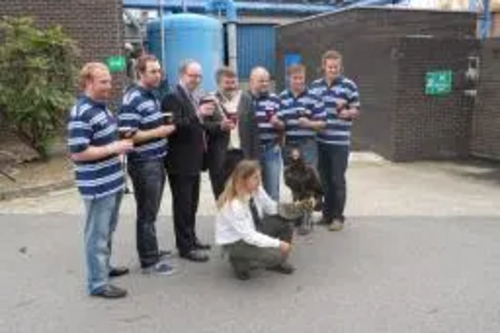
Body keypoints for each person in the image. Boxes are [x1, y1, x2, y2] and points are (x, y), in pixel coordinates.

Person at [67, 62, 133, 299]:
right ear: (87, 82)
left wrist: (119, 145)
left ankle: (104, 268)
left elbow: (103, 142)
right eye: (103, 82)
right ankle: (97, 283)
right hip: (97, 185)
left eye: (109, 80)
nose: (109, 85)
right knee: (97, 234)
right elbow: (78, 153)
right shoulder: (81, 112)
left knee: (107, 230)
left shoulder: (101, 107)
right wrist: (114, 146)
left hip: (112, 180)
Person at [118, 55, 176, 275]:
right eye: (153, 71)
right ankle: (149, 262)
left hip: (156, 160)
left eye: (159, 70)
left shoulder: (151, 96)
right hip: (144, 163)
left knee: (151, 211)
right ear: (140, 73)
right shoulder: (132, 98)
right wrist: (159, 132)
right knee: (147, 213)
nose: (158, 75)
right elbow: (127, 136)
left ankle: (151, 251)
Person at [161, 60, 214, 262]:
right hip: (180, 161)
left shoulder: (193, 96)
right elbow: (175, 127)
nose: (197, 79)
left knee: (192, 203)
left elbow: (196, 126)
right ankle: (185, 247)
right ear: (182, 75)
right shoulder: (171, 97)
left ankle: (191, 239)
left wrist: (207, 120)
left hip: (194, 159)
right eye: (193, 76)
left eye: (199, 76)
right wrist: (198, 114)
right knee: (182, 205)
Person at [215, 160, 295, 280]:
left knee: (286, 223)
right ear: (243, 180)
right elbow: (249, 236)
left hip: (252, 228)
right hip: (237, 241)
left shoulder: (256, 189)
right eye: (256, 178)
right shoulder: (234, 205)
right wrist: (278, 243)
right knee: (275, 255)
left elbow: (270, 207)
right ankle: (238, 260)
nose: (260, 181)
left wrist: (292, 209)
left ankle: (277, 263)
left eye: (260, 177)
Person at [309, 50, 361, 232]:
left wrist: (347, 112)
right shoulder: (315, 86)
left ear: (341, 66)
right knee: (323, 180)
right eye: (330, 67)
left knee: (337, 180)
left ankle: (338, 217)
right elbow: (310, 108)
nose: (333, 70)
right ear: (324, 66)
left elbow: (356, 110)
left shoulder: (349, 86)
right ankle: (326, 215)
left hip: (340, 143)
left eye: (336, 67)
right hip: (320, 141)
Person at [237, 67, 284, 201]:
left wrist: (278, 124)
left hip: (270, 149)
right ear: (251, 81)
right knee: (250, 189)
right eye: (261, 81)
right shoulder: (243, 100)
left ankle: (273, 221)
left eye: (267, 81)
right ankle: (254, 220)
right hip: (250, 151)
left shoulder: (275, 99)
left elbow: (284, 125)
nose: (265, 84)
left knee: (272, 190)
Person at [205, 66, 242, 199]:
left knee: (240, 194)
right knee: (221, 195)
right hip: (219, 155)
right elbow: (203, 126)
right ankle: (224, 219)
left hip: (240, 155)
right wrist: (219, 126)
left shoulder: (244, 99)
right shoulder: (209, 99)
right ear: (218, 83)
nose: (231, 86)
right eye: (227, 82)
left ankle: (239, 220)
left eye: (234, 82)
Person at [279, 64, 326, 168]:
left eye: (301, 78)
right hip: (289, 144)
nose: (298, 81)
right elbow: (280, 122)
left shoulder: (314, 97)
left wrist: (308, 124)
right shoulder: (282, 97)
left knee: (310, 178)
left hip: (307, 144)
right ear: (289, 79)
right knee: (291, 178)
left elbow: (323, 123)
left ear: (305, 78)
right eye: (295, 78)